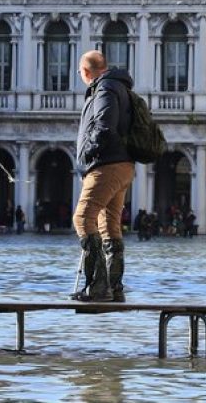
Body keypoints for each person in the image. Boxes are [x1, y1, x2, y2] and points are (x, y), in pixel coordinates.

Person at [71, 50, 135, 302]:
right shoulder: (120, 87)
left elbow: (104, 125)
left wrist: (88, 153)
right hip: (122, 164)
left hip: (106, 164)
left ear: (86, 72)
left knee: (83, 219)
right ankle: (114, 286)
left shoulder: (104, 89)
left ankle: (97, 286)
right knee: (108, 223)